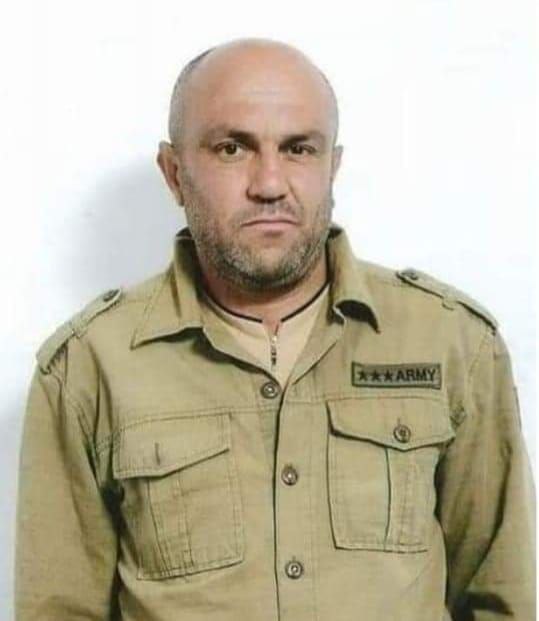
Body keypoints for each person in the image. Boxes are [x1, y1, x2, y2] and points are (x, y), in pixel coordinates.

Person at [15, 37, 535, 621]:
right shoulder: (86, 369)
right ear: (174, 173)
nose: (269, 183)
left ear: (332, 167)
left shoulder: (453, 344)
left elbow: (502, 600)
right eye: (232, 148)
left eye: (298, 149)